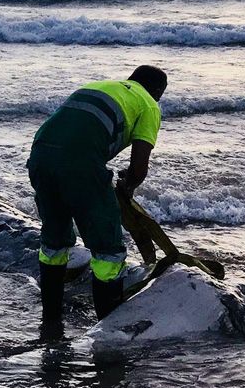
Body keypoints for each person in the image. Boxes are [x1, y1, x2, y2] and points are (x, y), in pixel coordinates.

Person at [27, 65, 167, 323]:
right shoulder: (148, 104)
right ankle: (107, 326)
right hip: (81, 162)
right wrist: (128, 187)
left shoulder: (102, 86)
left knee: (54, 240)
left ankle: (50, 319)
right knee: (108, 249)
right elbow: (139, 167)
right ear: (158, 91)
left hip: (40, 155)